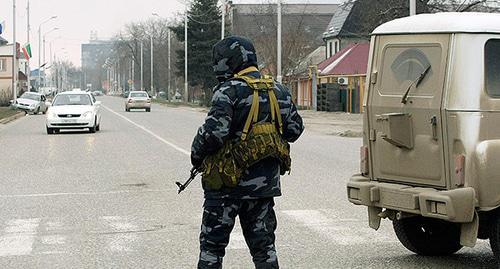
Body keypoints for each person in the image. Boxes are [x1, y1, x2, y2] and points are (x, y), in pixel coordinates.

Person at [190, 36, 304, 269]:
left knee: (212, 250)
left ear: (228, 62)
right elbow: (294, 130)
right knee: (264, 250)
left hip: (225, 188)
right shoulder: (279, 90)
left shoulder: (228, 91)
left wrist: (196, 155)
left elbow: (213, 135)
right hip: (263, 188)